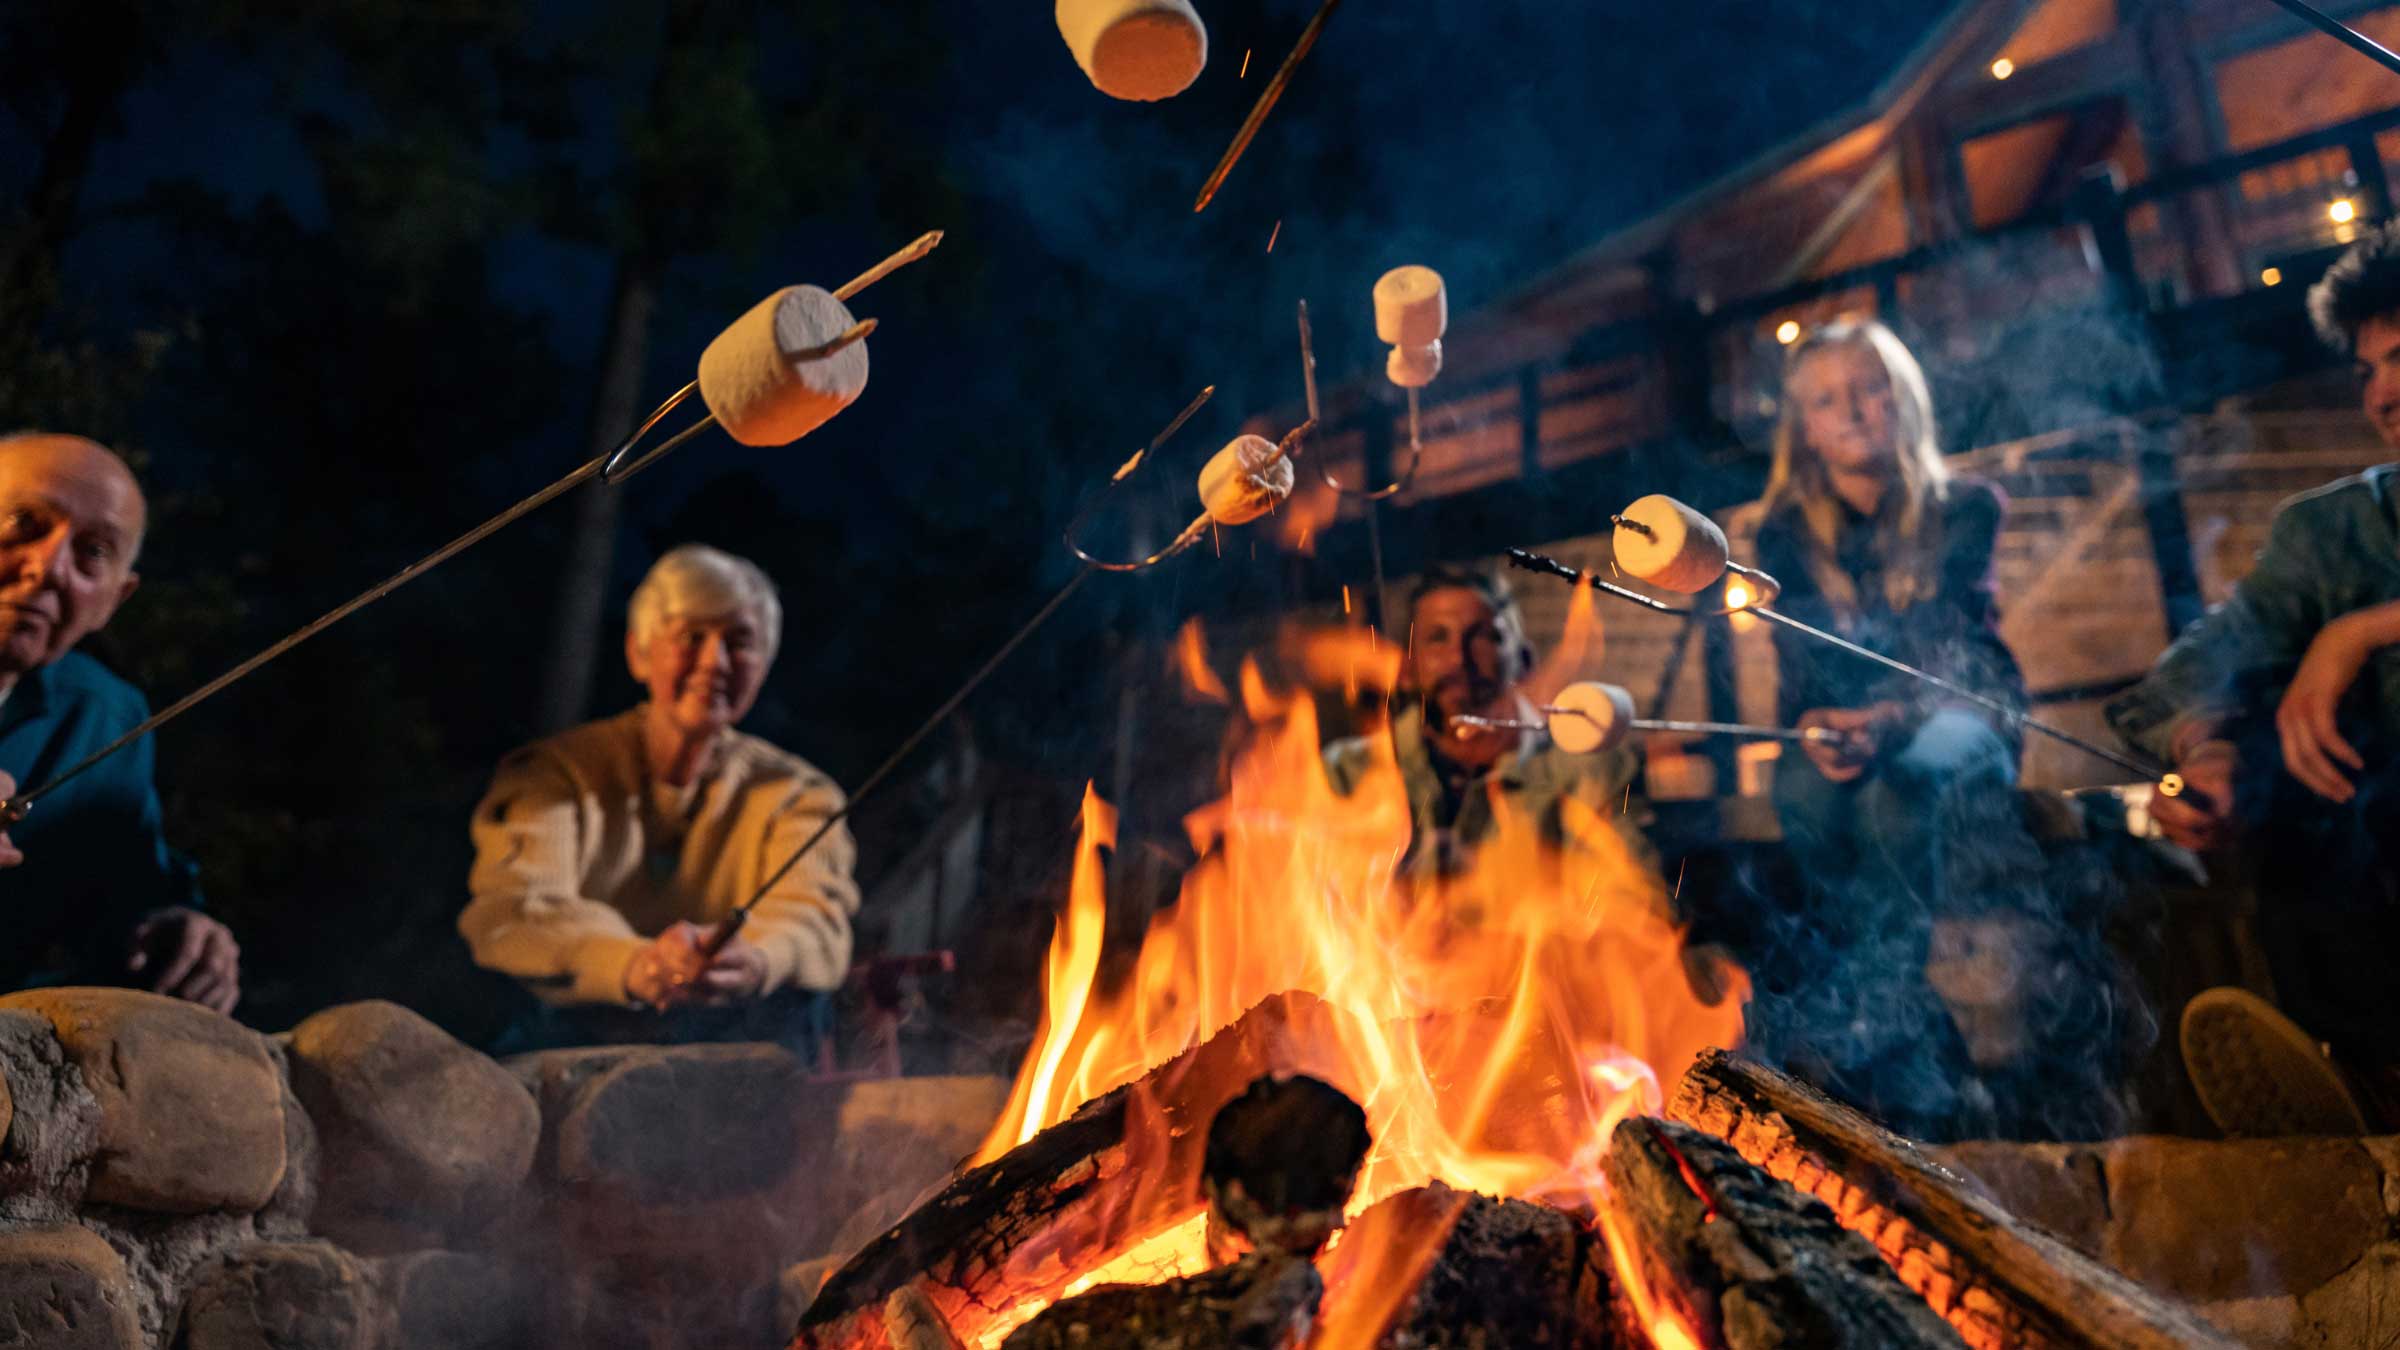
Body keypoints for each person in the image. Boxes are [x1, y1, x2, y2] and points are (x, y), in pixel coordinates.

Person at [2107, 221, 2400, 1135]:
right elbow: (2188, 672)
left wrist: (2360, 632)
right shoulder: (2335, 531)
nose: (2384, 396)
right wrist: (2204, 747)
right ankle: (2358, 1086)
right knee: (2276, 745)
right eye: (2368, 372)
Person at [1745, 318, 2045, 1139]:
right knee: (1803, 789)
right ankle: (1871, 1011)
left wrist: (1889, 717)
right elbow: (1798, 663)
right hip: (1856, 729)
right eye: (1827, 400)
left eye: (1871, 389)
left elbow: (1954, 645)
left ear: (1903, 397)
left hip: (1960, 714)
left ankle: (1894, 1024)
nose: (1854, 412)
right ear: (1804, 427)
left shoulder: (1964, 507)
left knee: (1897, 796)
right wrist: (1816, 727)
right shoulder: (1781, 535)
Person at [460, 544, 861, 1056]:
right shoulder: (555, 775)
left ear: (764, 666)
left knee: (799, 1007)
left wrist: (755, 959)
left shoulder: (801, 796)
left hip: (735, 1044)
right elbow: (518, 910)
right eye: (691, 637)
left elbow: (812, 919)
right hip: (573, 1041)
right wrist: (637, 964)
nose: (714, 662)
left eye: (739, 642)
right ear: (638, 653)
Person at [0, 431, 240, 1012]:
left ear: (115, 600)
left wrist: (179, 928)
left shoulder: (106, 716)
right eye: (23, 524)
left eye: (93, 552)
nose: (51, 569)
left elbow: (127, 887)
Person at [1321, 566, 1652, 875]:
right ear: (1407, 670)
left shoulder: (1588, 770)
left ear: (1524, 661)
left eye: (1483, 636)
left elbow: (1639, 904)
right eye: (1437, 637)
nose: (1458, 659)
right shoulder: (1348, 771)